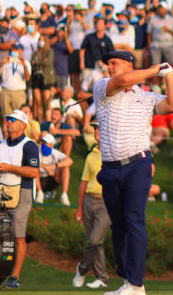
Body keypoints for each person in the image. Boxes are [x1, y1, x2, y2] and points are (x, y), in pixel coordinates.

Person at [93, 50, 173, 295]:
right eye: (108, 63)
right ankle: (128, 282)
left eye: (115, 63)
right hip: (110, 167)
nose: (109, 67)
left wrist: (169, 75)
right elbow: (121, 81)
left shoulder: (146, 97)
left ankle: (135, 284)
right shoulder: (102, 86)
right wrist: (156, 69)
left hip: (138, 165)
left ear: (129, 65)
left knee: (134, 221)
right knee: (118, 227)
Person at [0, 109, 40, 289]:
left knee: (18, 236)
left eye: (12, 119)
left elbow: (33, 172)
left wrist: (8, 167)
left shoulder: (29, 145)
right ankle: (0, 270)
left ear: (23, 125)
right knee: (3, 237)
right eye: (7, 119)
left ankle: (15, 277)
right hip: (1, 193)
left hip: (22, 193)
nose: (8, 122)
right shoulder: (1, 145)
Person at [73, 120, 111, 289]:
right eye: (95, 128)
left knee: (94, 240)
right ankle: (102, 278)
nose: (96, 131)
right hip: (89, 201)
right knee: (96, 242)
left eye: (99, 129)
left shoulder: (113, 154)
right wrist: (79, 207)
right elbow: (83, 183)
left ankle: (81, 270)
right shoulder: (91, 155)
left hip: (106, 203)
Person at [35, 133, 73, 205]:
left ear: (52, 145)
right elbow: (31, 161)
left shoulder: (55, 153)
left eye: (46, 143)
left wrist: (53, 166)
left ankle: (64, 195)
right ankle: (40, 193)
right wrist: (45, 167)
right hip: (40, 179)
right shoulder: (37, 151)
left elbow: (70, 161)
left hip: (52, 178)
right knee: (35, 168)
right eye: (43, 142)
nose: (43, 144)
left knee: (65, 168)